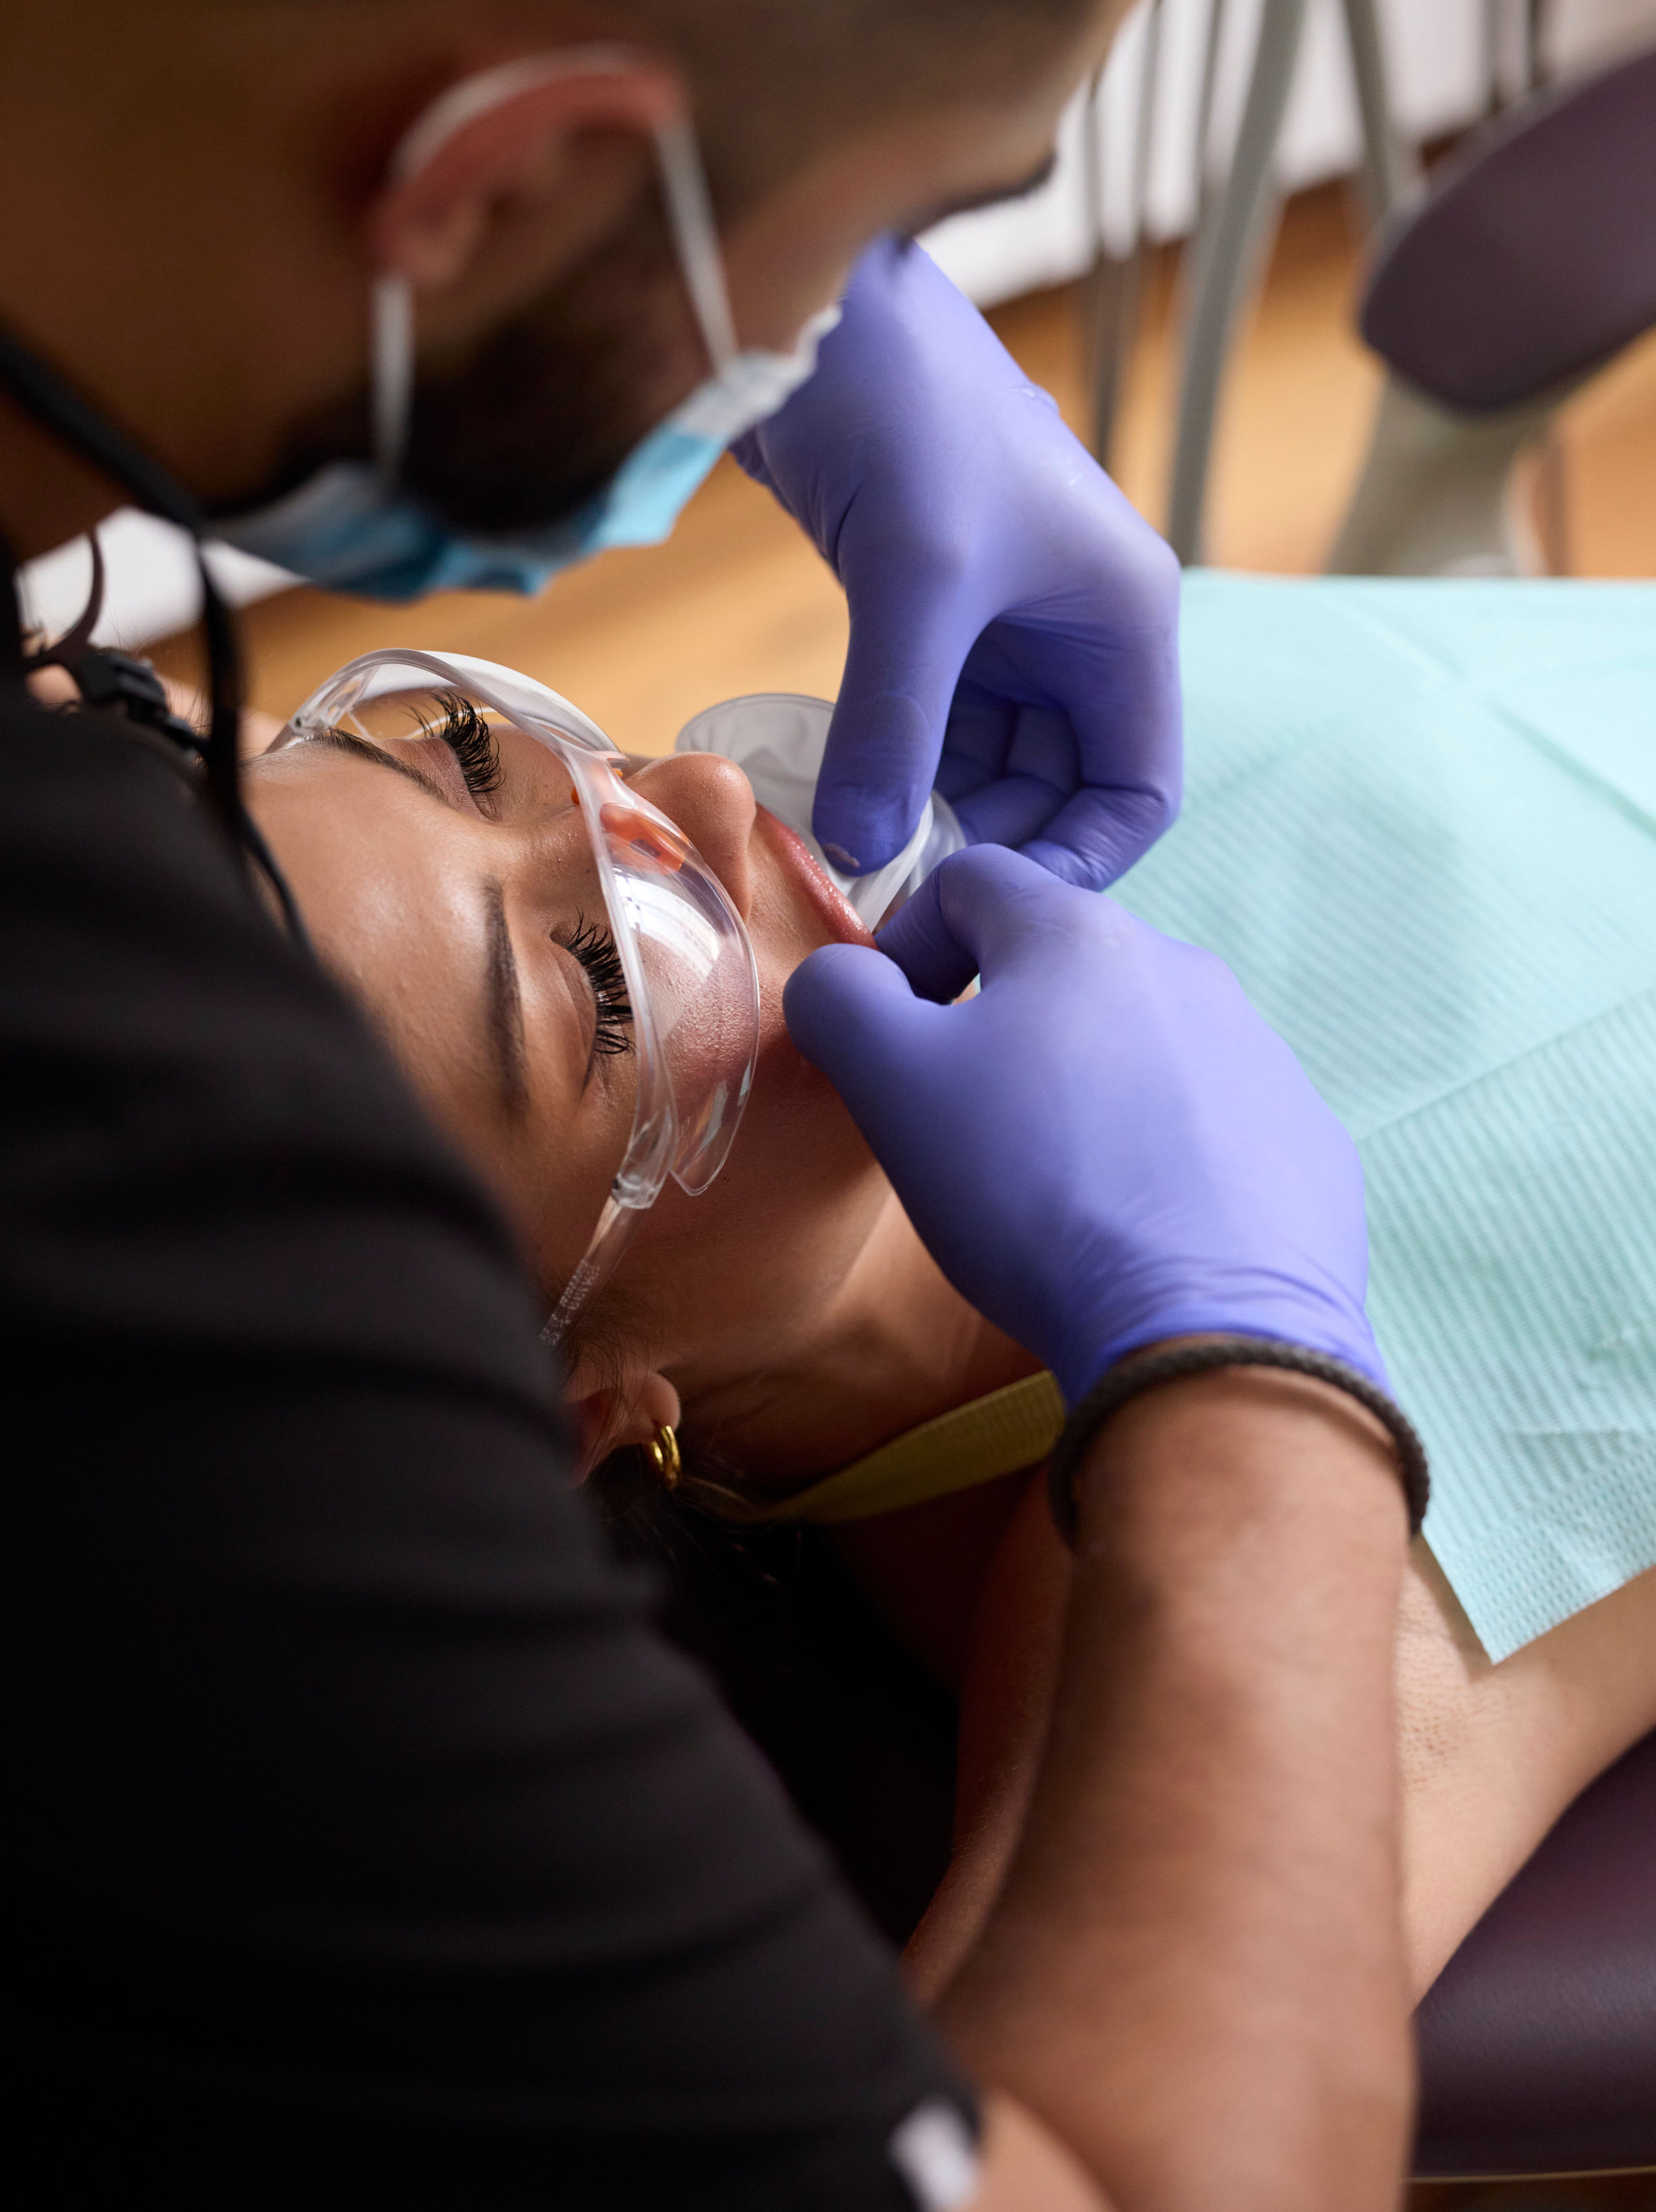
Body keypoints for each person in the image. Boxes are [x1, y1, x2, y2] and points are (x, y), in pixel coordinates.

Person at [3, 0, 1433, 2212]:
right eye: (581, 991)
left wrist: (817, 289)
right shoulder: (124, 1296)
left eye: (474, 748)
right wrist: (1249, 1391)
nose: (679, 808)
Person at [246, 662, 1656, 2004]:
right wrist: (1228, 1337)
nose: (707, 792)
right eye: (607, 980)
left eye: (471, 757)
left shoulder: (995, 780)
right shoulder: (1194, 1567)